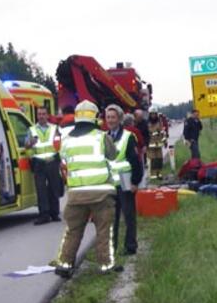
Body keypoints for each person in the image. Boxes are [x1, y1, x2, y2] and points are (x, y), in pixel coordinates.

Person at [54, 100, 121, 278]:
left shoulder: (66, 141)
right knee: (103, 230)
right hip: (101, 194)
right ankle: (106, 265)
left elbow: (64, 162)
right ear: (95, 118)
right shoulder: (101, 137)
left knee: (73, 230)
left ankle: (65, 264)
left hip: (76, 195)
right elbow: (113, 155)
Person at [105, 105, 143, 255]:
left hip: (125, 181)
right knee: (111, 219)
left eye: (113, 117)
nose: (110, 120)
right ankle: (111, 248)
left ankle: (130, 246)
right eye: (108, 117)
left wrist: (135, 182)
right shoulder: (105, 137)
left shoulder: (128, 137)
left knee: (128, 216)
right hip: (110, 183)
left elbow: (136, 161)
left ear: (119, 119)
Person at [25, 106, 64, 225]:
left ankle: (54, 213)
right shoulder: (31, 130)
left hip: (52, 161)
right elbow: (27, 146)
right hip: (39, 163)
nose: (41, 116)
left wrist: (60, 159)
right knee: (41, 189)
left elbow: (60, 144)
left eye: (43, 114)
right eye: (39, 114)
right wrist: (31, 155)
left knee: (53, 188)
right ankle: (44, 214)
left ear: (47, 115)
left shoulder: (54, 128)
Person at [147, 106, 167, 179]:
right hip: (150, 145)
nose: (153, 115)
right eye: (152, 114)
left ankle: (159, 174)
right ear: (149, 114)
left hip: (158, 144)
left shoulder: (159, 122)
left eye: (154, 114)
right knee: (153, 160)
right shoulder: (147, 123)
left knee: (159, 160)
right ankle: (153, 175)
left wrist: (165, 141)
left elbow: (162, 132)